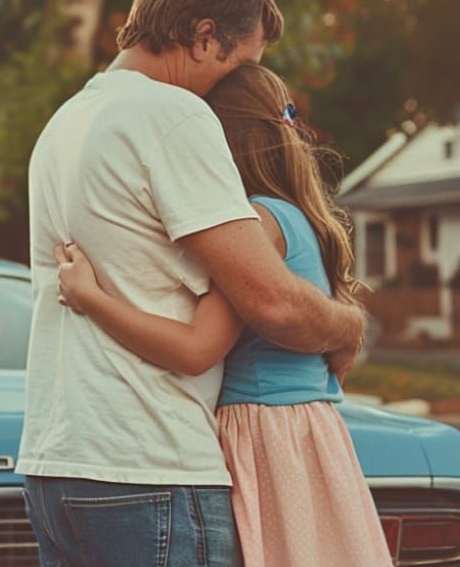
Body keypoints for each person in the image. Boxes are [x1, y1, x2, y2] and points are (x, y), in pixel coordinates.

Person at [16, 0, 368, 567]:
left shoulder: (66, 121)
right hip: (150, 465)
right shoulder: (173, 113)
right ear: (205, 36)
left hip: (57, 462)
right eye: (240, 63)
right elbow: (273, 304)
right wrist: (349, 324)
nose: (229, 87)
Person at [55, 63, 392, 567]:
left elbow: (196, 348)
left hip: (263, 432)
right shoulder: (295, 215)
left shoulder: (252, 221)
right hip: (307, 430)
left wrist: (91, 297)